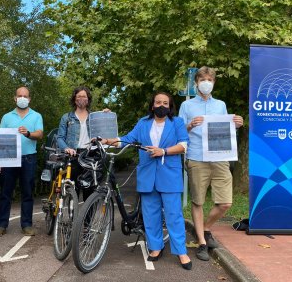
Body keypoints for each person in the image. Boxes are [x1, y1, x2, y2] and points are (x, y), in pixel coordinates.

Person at [104, 92, 192, 270]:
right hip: (147, 176)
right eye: (158, 102)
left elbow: (184, 145)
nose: (161, 105)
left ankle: (181, 252)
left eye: (165, 103)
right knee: (151, 215)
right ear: (152, 105)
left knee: (173, 215)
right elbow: (126, 140)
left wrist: (164, 151)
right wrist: (108, 140)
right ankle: (155, 248)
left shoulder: (177, 123)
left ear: (170, 106)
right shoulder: (143, 123)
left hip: (170, 176)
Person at [178, 66, 244, 261]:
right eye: (202, 79)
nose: (206, 82)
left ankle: (206, 228)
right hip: (197, 157)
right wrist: (189, 125)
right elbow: (179, 131)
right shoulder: (187, 106)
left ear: (213, 82)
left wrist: (237, 125)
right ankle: (202, 242)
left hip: (220, 156)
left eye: (210, 79)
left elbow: (225, 130)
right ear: (196, 82)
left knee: (225, 202)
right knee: (198, 200)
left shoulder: (221, 105)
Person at [0, 86, 43, 237]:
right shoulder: (7, 117)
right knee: (5, 193)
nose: (22, 98)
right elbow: (1, 138)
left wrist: (28, 133)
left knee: (27, 192)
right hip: (8, 158)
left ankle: (26, 225)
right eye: (19, 95)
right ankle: (1, 225)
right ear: (14, 98)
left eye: (25, 96)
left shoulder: (36, 116)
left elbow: (39, 134)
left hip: (29, 158)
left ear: (29, 99)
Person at [57, 86, 95, 200]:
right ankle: (73, 217)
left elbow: (104, 130)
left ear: (88, 99)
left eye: (84, 96)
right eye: (79, 96)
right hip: (73, 155)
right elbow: (59, 137)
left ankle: (88, 218)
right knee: (74, 190)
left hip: (90, 155)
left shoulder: (94, 117)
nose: (81, 98)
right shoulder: (67, 117)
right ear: (74, 99)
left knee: (89, 190)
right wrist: (66, 148)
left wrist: (106, 114)